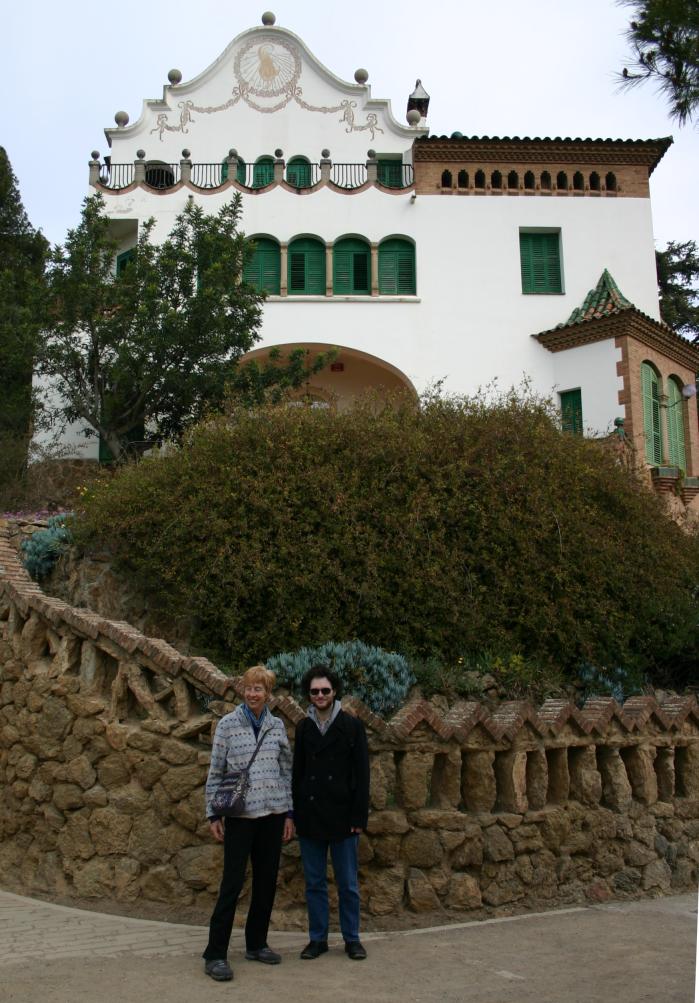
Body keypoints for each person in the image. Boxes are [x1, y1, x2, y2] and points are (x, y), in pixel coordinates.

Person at [203, 665, 294, 982]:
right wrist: (213, 813)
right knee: (231, 883)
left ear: (269, 694)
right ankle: (215, 954)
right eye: (249, 688)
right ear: (243, 690)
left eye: (260, 689)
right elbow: (215, 772)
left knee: (267, 882)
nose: (253, 693)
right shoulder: (228, 725)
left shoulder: (277, 726)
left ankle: (257, 944)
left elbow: (286, 772)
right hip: (240, 817)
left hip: (272, 815)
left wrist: (289, 813)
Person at [292, 664, 370, 961]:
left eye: (325, 690)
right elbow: (298, 774)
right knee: (314, 884)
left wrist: (358, 818)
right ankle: (318, 939)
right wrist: (296, 814)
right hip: (311, 816)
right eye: (314, 691)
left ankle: (352, 939)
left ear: (334, 691)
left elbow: (362, 776)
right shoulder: (303, 727)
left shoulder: (352, 726)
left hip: (343, 817)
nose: (320, 695)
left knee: (348, 884)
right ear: (309, 695)